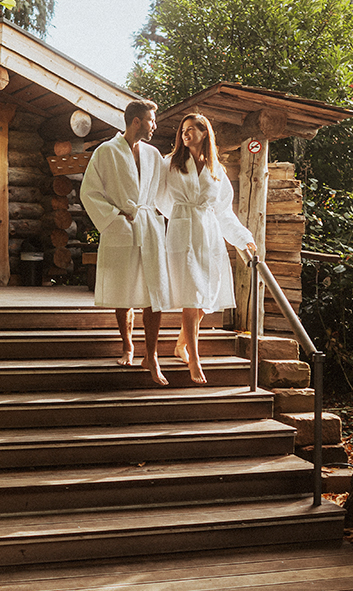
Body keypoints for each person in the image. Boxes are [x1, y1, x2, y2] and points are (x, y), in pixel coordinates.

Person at [159, 113, 257, 385]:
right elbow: (158, 197)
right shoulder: (170, 163)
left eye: (192, 129)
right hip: (182, 233)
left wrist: (242, 238)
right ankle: (194, 359)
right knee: (191, 297)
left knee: (206, 299)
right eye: (183, 130)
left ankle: (181, 344)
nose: (185, 133)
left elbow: (224, 211)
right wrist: (178, 215)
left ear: (205, 133)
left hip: (209, 235)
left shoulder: (216, 170)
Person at [80, 99, 171, 386]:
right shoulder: (106, 151)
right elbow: (89, 192)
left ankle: (151, 356)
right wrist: (115, 217)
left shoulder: (154, 155)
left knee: (155, 293)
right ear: (136, 121)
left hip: (149, 227)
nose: (155, 126)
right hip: (122, 226)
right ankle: (128, 345)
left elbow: (165, 191)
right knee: (124, 290)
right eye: (151, 120)